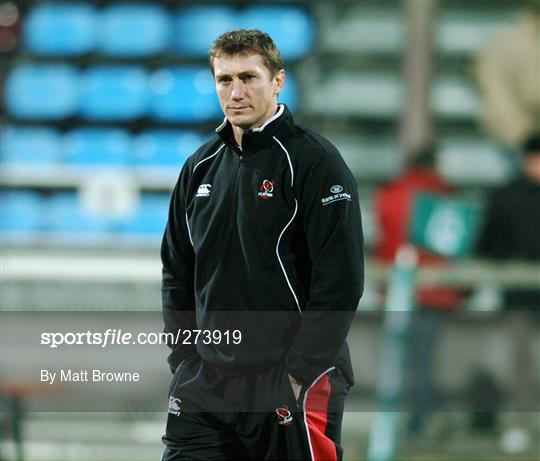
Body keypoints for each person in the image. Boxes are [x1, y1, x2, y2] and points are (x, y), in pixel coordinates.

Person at [160, 29, 364, 460]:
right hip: (207, 385)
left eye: (249, 77)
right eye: (225, 79)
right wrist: (183, 358)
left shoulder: (315, 162)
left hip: (288, 381)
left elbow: (341, 279)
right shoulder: (198, 168)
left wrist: (299, 372)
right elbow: (177, 270)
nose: (236, 92)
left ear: (278, 81)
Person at [373, 145, 462, 434]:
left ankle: (403, 420)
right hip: (435, 290)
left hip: (398, 286)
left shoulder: (390, 194)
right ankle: (421, 418)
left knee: (403, 357)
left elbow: (384, 241)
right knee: (425, 358)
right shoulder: (445, 195)